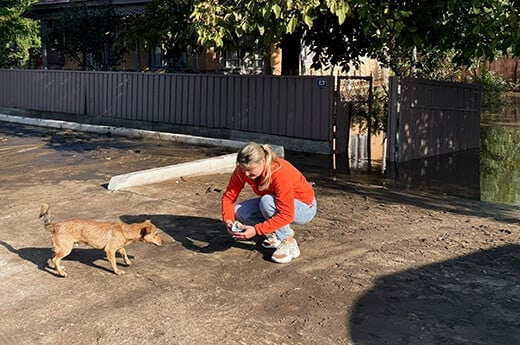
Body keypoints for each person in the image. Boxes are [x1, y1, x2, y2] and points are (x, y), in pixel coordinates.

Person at [221, 142, 317, 263]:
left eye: (250, 170)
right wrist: (228, 220)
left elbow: (287, 214)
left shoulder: (279, 171)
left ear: (262, 161)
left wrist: (256, 230)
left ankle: (288, 242)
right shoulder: (243, 170)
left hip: (304, 207)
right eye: (243, 169)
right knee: (239, 211)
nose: (246, 174)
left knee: (266, 202)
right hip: (277, 202)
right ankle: (277, 231)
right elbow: (229, 196)